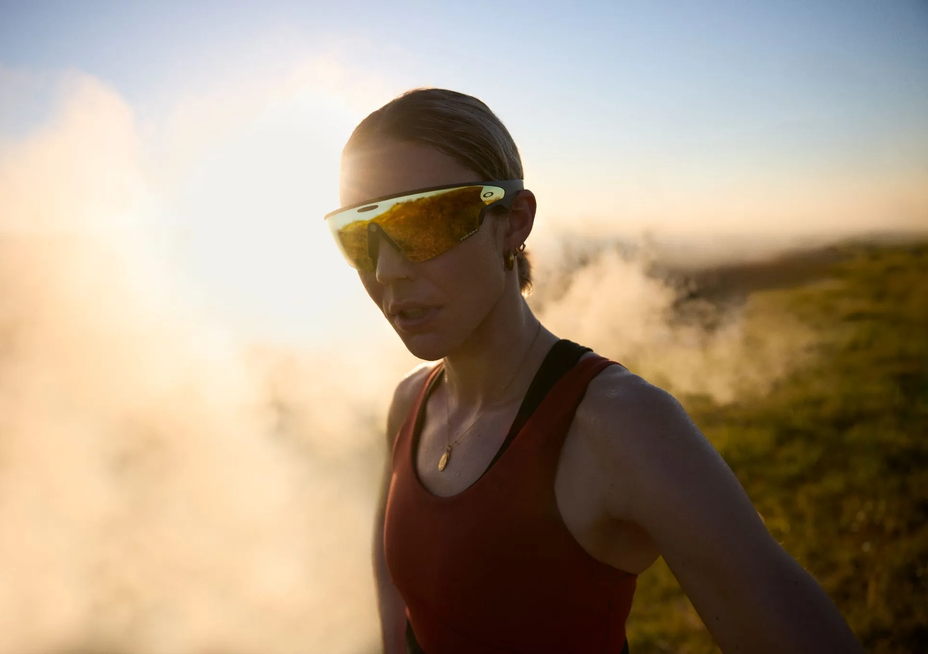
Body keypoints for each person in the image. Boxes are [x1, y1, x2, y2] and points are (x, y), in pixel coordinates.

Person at [324, 88, 863, 654]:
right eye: (359, 234)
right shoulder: (410, 404)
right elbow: (399, 600)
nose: (386, 270)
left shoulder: (619, 426)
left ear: (513, 223)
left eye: (422, 220)